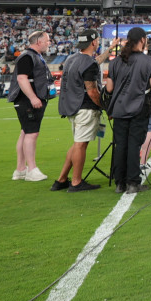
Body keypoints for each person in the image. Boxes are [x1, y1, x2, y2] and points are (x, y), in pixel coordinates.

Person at [50, 31, 111, 193]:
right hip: (85, 108)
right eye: (97, 40)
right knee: (80, 145)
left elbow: (93, 63)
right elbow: (92, 92)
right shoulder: (88, 64)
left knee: (78, 143)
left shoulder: (72, 59)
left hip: (72, 107)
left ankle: (61, 179)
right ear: (93, 43)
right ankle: (76, 182)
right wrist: (105, 106)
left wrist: (109, 50)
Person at [104, 26, 151, 194]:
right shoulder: (149, 62)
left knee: (120, 144)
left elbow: (109, 88)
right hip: (139, 108)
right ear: (142, 40)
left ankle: (119, 183)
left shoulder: (115, 62)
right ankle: (133, 182)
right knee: (134, 144)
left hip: (119, 108)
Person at [8, 30, 54, 182]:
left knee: (25, 132)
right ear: (38, 42)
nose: (49, 43)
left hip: (28, 99)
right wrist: (33, 98)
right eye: (47, 40)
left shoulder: (33, 56)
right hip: (27, 100)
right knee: (32, 133)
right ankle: (32, 169)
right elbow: (22, 79)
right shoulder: (27, 56)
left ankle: (21, 169)